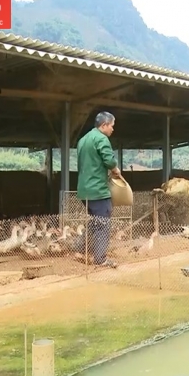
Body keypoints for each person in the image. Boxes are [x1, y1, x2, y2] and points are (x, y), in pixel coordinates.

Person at [74, 111, 122, 268]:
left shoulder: (83, 140)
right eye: (112, 126)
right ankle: (100, 259)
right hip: (97, 190)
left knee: (95, 221)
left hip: (83, 190)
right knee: (103, 223)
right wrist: (116, 169)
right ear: (104, 125)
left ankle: (80, 250)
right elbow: (108, 159)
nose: (113, 130)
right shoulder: (101, 139)